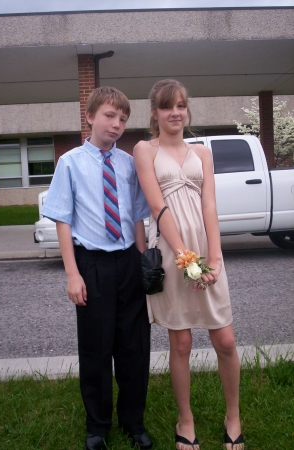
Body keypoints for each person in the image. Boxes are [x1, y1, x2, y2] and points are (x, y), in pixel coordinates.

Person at [133, 79, 244, 450]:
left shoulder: (203, 153)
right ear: (155, 112)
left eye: (180, 105)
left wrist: (213, 258)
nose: (175, 112)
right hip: (172, 253)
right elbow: (155, 206)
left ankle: (233, 416)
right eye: (167, 107)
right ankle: (186, 420)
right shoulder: (144, 150)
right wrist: (187, 259)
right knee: (180, 343)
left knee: (225, 339)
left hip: (206, 252)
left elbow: (209, 205)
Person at [41, 86, 152, 450]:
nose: (117, 124)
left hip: (127, 260)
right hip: (92, 263)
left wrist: (143, 259)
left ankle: (133, 421)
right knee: (96, 347)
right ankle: (98, 425)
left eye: (122, 119)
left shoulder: (127, 164)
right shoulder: (70, 162)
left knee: (134, 346)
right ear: (89, 117)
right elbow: (63, 220)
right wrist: (73, 274)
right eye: (109, 115)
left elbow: (137, 214)